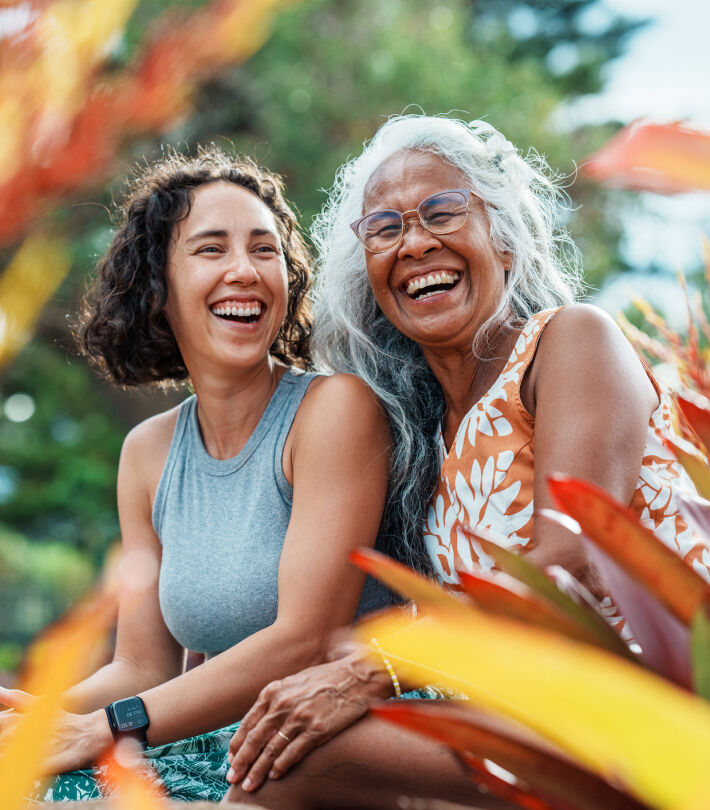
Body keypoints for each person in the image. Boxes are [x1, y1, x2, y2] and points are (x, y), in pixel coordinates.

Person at [223, 115, 710, 809]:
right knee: (280, 739)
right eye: (385, 229)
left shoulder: (572, 343)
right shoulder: (418, 437)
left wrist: (373, 672)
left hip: (648, 715)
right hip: (530, 716)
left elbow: (565, 571)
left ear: (503, 240)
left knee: (293, 763)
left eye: (442, 212)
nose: (416, 242)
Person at [0, 147, 394, 802]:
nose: (245, 271)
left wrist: (100, 728)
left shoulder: (334, 411)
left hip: (316, 750)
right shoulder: (147, 453)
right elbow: (141, 666)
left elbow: (303, 639)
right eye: (212, 249)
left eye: (264, 250)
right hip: (207, 747)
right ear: (158, 286)